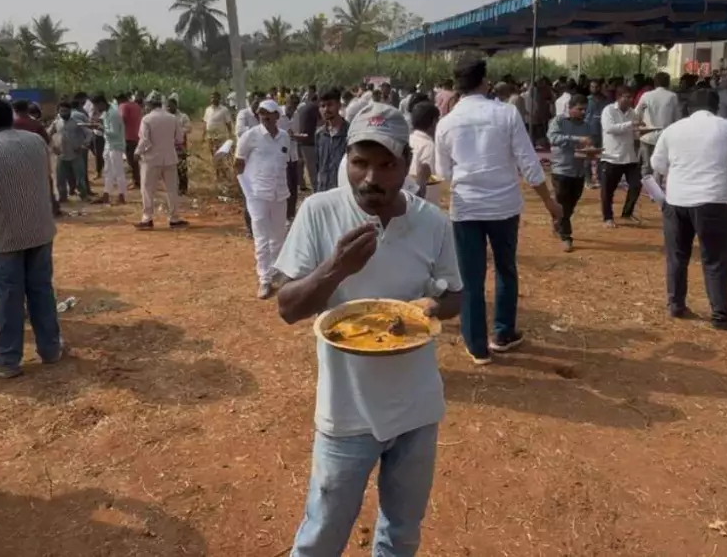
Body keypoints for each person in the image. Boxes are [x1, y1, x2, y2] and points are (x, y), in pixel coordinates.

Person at [273, 103, 462, 557]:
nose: (371, 178)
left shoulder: (431, 222)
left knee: (401, 532)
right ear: (346, 161)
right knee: (322, 535)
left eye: (386, 164)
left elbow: (457, 295)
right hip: (347, 414)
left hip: (417, 409)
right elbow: (287, 306)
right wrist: (336, 268)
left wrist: (431, 305)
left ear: (404, 165)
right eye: (360, 162)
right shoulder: (320, 212)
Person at [435, 59, 561, 365]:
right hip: (503, 207)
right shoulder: (506, 113)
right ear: (485, 82)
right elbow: (529, 164)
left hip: (466, 208)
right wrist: (550, 203)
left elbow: (444, 172)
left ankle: (477, 345)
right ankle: (503, 333)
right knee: (506, 269)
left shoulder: (446, 123)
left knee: (470, 277)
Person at [0, 97, 64, 379]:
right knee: (41, 290)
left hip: (4, 236)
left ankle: (7, 360)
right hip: (39, 229)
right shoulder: (34, 142)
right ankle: (51, 349)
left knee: (9, 296)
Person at [650, 89, 727, 333]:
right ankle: (720, 313)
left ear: (689, 108)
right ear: (716, 106)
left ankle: (676, 304)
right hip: (711, 201)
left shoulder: (673, 129)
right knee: (715, 260)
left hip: (676, 199)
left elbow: (657, 164)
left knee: (677, 256)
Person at [237, 100, 292, 299]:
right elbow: (238, 164)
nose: (265, 117)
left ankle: (277, 273)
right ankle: (264, 280)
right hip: (257, 195)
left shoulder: (285, 138)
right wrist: (247, 190)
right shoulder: (250, 136)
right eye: (261, 114)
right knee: (261, 237)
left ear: (278, 116)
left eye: (269, 113)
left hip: (280, 193)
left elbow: (288, 164)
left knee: (278, 235)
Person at [546, 94, 592, 252]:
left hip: (578, 170)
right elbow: (552, 138)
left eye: (585, 109)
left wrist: (590, 151)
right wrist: (576, 139)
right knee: (563, 202)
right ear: (570, 108)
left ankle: (557, 219)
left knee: (571, 204)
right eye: (580, 109)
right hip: (561, 169)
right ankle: (566, 236)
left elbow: (587, 145)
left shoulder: (585, 125)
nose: (583, 112)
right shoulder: (558, 121)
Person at [135, 93, 186, 230]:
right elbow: (180, 139)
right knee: (171, 190)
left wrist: (137, 152)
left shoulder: (147, 119)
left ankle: (147, 218)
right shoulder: (172, 118)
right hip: (169, 157)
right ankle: (174, 218)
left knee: (147, 189)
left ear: (150, 104)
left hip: (151, 159)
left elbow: (145, 140)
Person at [599, 87, 642, 228]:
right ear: (618, 97)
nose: (630, 100)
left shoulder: (633, 113)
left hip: (629, 156)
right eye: (627, 97)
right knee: (608, 190)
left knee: (636, 185)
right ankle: (607, 217)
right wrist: (631, 125)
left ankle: (627, 213)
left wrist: (640, 132)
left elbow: (635, 133)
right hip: (611, 155)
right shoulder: (608, 110)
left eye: (631, 97)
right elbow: (610, 128)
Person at [634, 72, 681, 176]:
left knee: (646, 165)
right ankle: (656, 190)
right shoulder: (672, 96)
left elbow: (636, 113)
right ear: (668, 83)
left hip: (647, 135)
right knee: (659, 166)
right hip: (664, 135)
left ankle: (644, 187)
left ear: (655, 83)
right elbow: (677, 118)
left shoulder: (646, 96)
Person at [51, 101, 91, 203]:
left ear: (70, 111)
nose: (64, 113)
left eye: (66, 111)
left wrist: (82, 145)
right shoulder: (56, 123)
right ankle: (63, 196)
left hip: (75, 154)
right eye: (62, 111)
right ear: (58, 112)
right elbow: (47, 134)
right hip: (62, 155)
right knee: (60, 178)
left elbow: (89, 134)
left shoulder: (76, 122)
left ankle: (84, 195)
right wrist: (53, 147)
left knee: (79, 177)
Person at [91, 94, 127, 205]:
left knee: (118, 172)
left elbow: (114, 133)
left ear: (101, 103)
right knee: (108, 171)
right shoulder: (106, 113)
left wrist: (101, 128)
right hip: (109, 145)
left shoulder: (113, 114)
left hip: (115, 146)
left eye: (97, 106)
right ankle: (106, 194)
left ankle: (122, 196)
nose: (96, 109)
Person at [313, 88, 348, 193]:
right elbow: (318, 165)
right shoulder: (320, 134)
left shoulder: (350, 133)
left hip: (342, 190)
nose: (326, 109)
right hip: (323, 190)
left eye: (330, 105)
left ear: (339, 105)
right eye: (322, 106)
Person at [408, 102, 442, 206]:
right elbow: (430, 181)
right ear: (434, 122)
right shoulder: (428, 145)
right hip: (420, 201)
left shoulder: (408, 140)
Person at [203, 91, 234, 183]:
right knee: (214, 157)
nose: (213, 99)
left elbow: (228, 124)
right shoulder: (207, 109)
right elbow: (205, 123)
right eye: (211, 97)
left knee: (220, 157)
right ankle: (217, 175)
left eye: (215, 97)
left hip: (221, 138)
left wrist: (230, 135)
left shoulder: (224, 110)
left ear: (219, 99)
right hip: (210, 138)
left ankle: (224, 175)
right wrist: (203, 135)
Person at [293, 90, 321, 192]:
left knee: (301, 165)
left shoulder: (303, 106)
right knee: (312, 168)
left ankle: (302, 185)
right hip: (309, 142)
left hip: (300, 139)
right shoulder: (314, 108)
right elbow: (322, 121)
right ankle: (316, 190)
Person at [119, 92, 143, 190]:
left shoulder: (123, 106)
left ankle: (136, 180)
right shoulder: (136, 106)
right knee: (135, 160)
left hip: (128, 136)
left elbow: (122, 119)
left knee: (131, 160)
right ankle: (137, 179)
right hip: (137, 135)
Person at [168, 96, 191, 196]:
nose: (169, 108)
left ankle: (183, 188)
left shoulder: (183, 116)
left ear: (176, 106)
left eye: (171, 106)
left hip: (181, 146)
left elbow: (189, 128)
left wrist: (178, 132)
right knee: (171, 168)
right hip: (169, 146)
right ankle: (174, 188)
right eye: (168, 106)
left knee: (182, 168)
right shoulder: (166, 117)